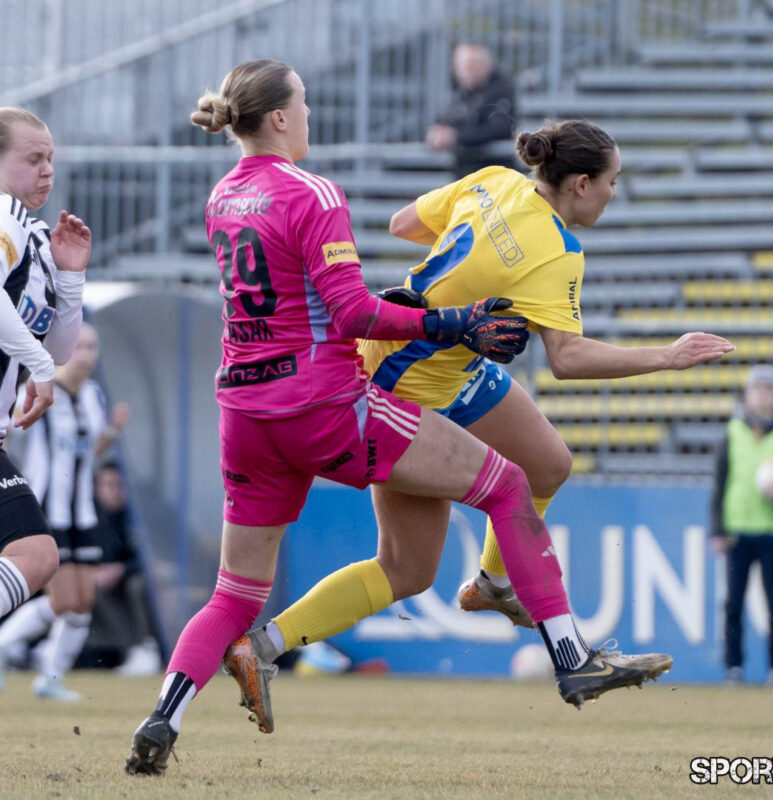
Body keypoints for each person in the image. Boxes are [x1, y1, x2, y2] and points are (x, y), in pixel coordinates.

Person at [124, 57, 535, 776]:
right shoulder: (312, 192)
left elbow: (298, 298)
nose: (311, 115)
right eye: (304, 103)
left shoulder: (222, 194)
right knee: (503, 480)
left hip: (246, 410)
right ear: (279, 117)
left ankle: (163, 718)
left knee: (232, 593)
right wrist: (452, 323)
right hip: (322, 402)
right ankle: (570, 651)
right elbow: (348, 314)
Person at [236, 121, 735, 713]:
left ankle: (495, 585)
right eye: (612, 182)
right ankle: (265, 644)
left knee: (549, 463)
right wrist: (668, 356)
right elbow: (568, 360)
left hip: (448, 366)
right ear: (579, 184)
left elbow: (404, 225)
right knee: (406, 569)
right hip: (406, 387)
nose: (614, 193)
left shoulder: (494, 181)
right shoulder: (558, 252)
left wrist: (469, 270)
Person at [0, 107, 90, 645]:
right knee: (36, 553)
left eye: (51, 159)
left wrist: (71, 277)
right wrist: (37, 369)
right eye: (33, 159)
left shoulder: (32, 236)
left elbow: (57, 347)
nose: (47, 171)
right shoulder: (2, 215)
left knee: (36, 554)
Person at [0, 323, 129, 699]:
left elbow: (91, 452)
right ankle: (6, 648)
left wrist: (113, 433)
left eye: (93, 347)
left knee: (81, 602)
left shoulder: (92, 396)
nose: (87, 355)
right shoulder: (34, 391)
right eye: (81, 347)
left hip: (82, 512)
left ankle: (49, 678)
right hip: (46, 507)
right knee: (60, 600)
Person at [709, 365, 773, 686]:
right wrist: (716, 529)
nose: (762, 394)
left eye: (768, 389)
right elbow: (720, 484)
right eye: (757, 389)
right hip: (737, 532)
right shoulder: (733, 432)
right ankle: (734, 667)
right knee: (733, 603)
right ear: (747, 395)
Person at [90, 461, 161, 676]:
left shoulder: (143, 517)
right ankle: (131, 649)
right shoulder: (90, 517)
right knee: (82, 584)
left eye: (119, 484)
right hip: (106, 587)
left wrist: (121, 569)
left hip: (139, 582)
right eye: (107, 484)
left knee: (137, 585)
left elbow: (155, 558)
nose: (114, 491)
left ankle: (145, 648)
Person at [426, 43, 516, 178]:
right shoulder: (460, 93)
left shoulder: (501, 89)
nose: (470, 69)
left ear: (488, 65)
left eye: (475, 63)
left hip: (494, 176)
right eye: (465, 64)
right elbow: (445, 120)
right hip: (463, 173)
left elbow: (500, 128)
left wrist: (456, 136)